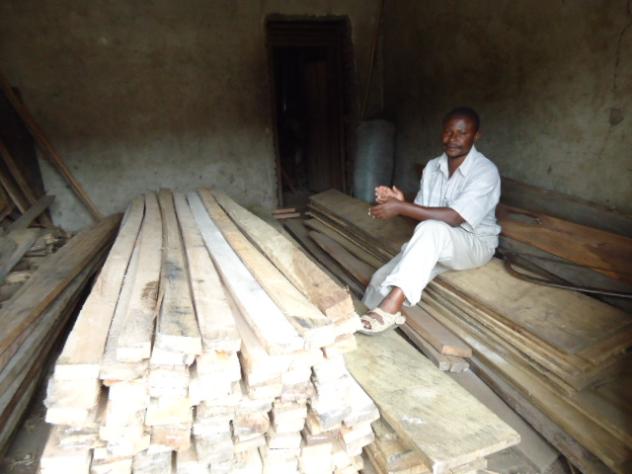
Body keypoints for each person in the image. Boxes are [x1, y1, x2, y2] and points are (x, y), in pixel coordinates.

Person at [360, 106, 501, 334]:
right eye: (448, 132)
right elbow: (422, 224)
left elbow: (454, 218)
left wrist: (402, 207)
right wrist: (402, 204)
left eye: (462, 133)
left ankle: (390, 309)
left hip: (474, 244)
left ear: (476, 136)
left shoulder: (485, 171)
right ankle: (363, 326)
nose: (452, 139)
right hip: (437, 240)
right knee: (379, 280)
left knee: (433, 231)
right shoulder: (433, 167)